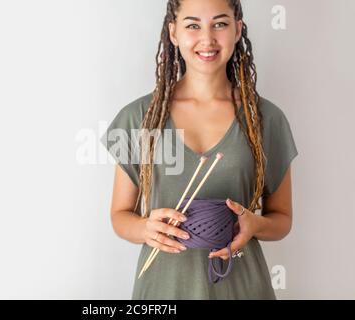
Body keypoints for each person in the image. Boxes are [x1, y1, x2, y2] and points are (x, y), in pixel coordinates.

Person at [101, 0, 298, 299]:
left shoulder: (266, 118)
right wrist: (145, 229)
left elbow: (281, 219)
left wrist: (253, 224)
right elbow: (120, 216)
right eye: (193, 25)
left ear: (237, 30)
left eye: (220, 23)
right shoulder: (138, 117)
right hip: (162, 293)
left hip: (243, 289)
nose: (207, 38)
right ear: (173, 32)